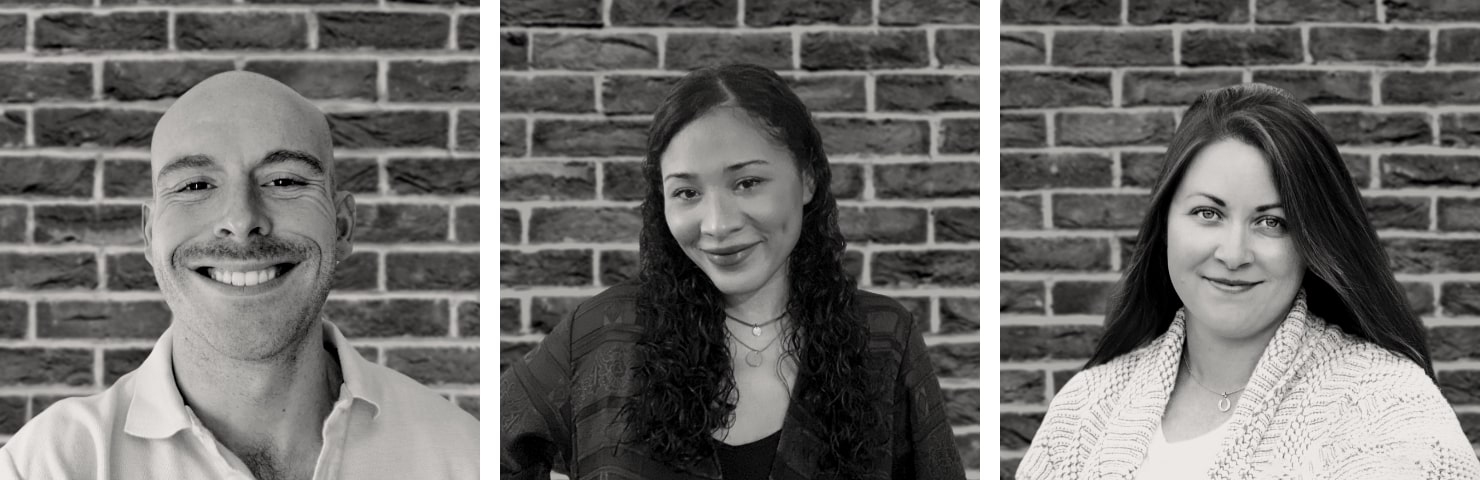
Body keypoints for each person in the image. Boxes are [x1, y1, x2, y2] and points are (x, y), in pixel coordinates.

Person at [0, 72, 479, 479]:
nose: (241, 218)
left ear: (341, 225)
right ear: (149, 236)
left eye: (284, 181)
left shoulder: (465, 458)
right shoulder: (47, 465)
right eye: (195, 185)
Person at [501, 64, 966, 479]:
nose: (718, 224)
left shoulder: (883, 340)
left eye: (747, 183)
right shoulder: (603, 334)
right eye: (686, 193)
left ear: (807, 178)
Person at [1017, 84, 1480, 479]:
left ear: (1312, 239)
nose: (1233, 254)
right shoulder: (1085, 410)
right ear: (1165, 224)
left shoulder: (1390, 410)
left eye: (1272, 223)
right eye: (1208, 213)